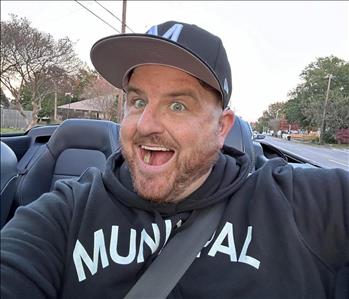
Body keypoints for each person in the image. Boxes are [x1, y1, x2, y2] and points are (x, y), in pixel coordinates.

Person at [1, 20, 348, 299]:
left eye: (177, 105)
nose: (146, 124)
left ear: (222, 127)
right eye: (137, 102)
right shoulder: (67, 213)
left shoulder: (300, 204)